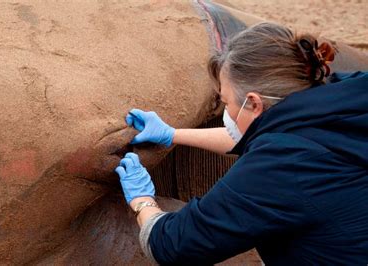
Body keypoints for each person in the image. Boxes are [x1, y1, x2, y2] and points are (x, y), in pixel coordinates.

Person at [115, 22, 368, 265]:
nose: (227, 110)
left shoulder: (282, 166)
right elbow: (265, 135)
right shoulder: (349, 96)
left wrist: (142, 200)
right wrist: (173, 134)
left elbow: (172, 245)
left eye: (227, 102)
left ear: (254, 103)